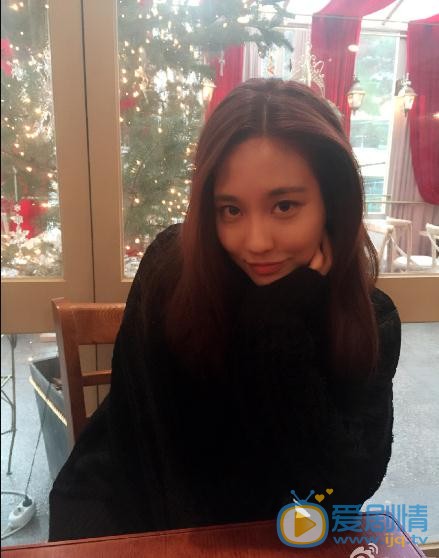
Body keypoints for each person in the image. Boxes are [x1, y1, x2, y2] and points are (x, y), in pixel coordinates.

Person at [49, 78, 401, 541]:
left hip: (282, 535)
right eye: (231, 210)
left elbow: (345, 487)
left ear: (331, 203)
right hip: (136, 517)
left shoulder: (369, 318)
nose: (256, 242)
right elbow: (146, 445)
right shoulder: (172, 274)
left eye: (284, 206)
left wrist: (280, 329)